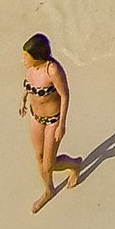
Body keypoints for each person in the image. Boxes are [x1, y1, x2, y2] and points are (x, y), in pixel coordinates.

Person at [19, 33, 79, 211]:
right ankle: (49, 190)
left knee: (49, 164)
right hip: (35, 116)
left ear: (38, 57)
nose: (23, 60)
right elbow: (29, 85)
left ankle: (74, 164)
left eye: (26, 57)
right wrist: (23, 98)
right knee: (39, 156)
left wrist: (62, 124)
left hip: (53, 119)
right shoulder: (30, 68)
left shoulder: (52, 70)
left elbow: (64, 95)